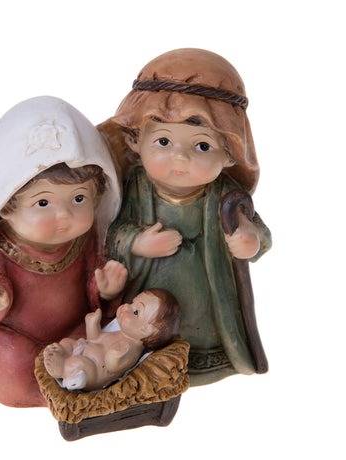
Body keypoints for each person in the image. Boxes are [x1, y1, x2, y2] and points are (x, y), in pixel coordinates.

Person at [98, 48, 272, 387]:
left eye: (202, 146)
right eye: (163, 141)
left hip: (208, 304)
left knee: (199, 331)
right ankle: (144, 363)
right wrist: (137, 242)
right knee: (143, 341)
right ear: (136, 142)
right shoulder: (135, 188)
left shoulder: (226, 195)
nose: (180, 157)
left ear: (228, 154)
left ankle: (204, 358)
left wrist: (251, 240)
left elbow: (259, 232)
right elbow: (111, 232)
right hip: (145, 301)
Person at [0, 96, 126, 407]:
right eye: (43, 203)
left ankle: (72, 388)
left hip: (74, 330)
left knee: (106, 358)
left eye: (79, 199)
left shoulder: (85, 241)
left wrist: (106, 290)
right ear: (5, 207)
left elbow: (92, 282)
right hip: (15, 336)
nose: (65, 215)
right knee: (15, 376)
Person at [43, 288, 180, 391]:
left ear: (145, 330)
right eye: (132, 302)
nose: (127, 306)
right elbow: (96, 339)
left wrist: (114, 357)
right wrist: (92, 324)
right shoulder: (120, 332)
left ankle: (61, 369)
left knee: (79, 363)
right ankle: (62, 355)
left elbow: (113, 368)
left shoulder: (130, 349)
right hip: (85, 349)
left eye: (135, 312)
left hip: (92, 372)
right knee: (67, 342)